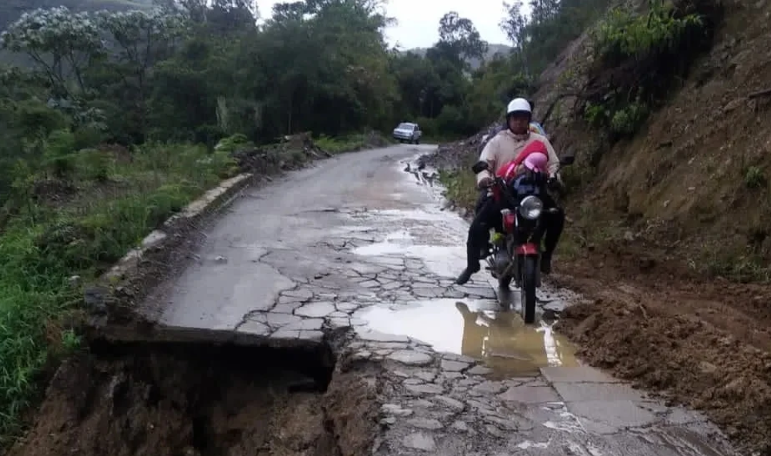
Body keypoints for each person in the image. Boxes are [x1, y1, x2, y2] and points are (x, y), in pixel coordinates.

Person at [455, 98, 565, 286]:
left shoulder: (540, 141)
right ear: (509, 119)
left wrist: (555, 177)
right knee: (476, 227)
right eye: (515, 118)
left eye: (523, 118)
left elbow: (553, 164)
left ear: (529, 119)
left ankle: (546, 256)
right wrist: (484, 178)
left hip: (533, 195)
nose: (519, 121)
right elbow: (485, 163)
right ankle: (472, 264)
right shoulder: (497, 142)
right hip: (504, 194)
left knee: (557, 216)